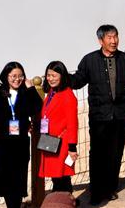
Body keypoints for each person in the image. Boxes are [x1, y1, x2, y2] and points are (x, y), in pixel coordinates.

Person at [72, 24, 125, 205]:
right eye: (109, 38)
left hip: (120, 115)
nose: (114, 41)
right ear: (100, 40)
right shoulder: (89, 60)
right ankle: (97, 192)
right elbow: (78, 80)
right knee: (97, 154)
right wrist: (60, 76)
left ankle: (110, 188)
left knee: (116, 153)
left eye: (116, 37)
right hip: (99, 116)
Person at [0, 62, 43, 208]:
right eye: (13, 76)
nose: (17, 79)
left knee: (18, 181)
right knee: (5, 181)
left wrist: (31, 88)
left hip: (20, 144)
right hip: (2, 145)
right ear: (6, 76)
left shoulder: (26, 92)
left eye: (20, 76)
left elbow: (37, 107)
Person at [38, 61, 79, 197]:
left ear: (62, 76)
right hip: (50, 141)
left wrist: (72, 147)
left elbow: (72, 123)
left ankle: (65, 202)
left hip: (62, 142)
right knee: (56, 177)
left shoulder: (68, 95)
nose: (50, 79)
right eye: (48, 75)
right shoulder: (51, 92)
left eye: (54, 75)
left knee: (62, 177)